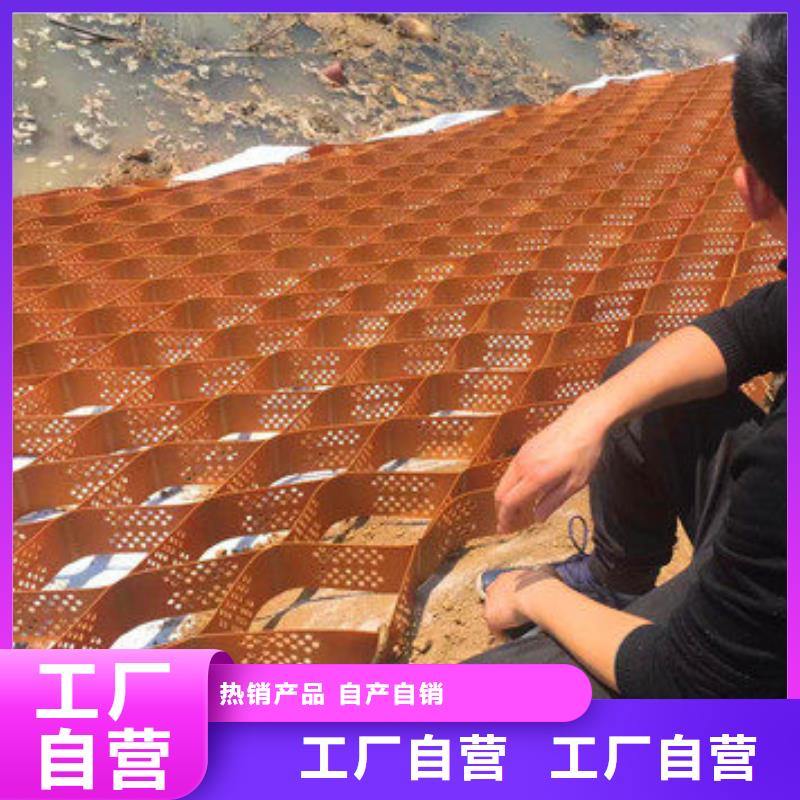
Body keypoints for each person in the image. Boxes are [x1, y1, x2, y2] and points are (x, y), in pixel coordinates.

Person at [468, 13, 787, 698]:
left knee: (456, 709)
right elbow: (747, 331)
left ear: (753, 192)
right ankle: (614, 584)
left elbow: (683, 680)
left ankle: (588, 607)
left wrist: (533, 594)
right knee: (641, 389)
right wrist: (590, 415)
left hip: (737, 667)